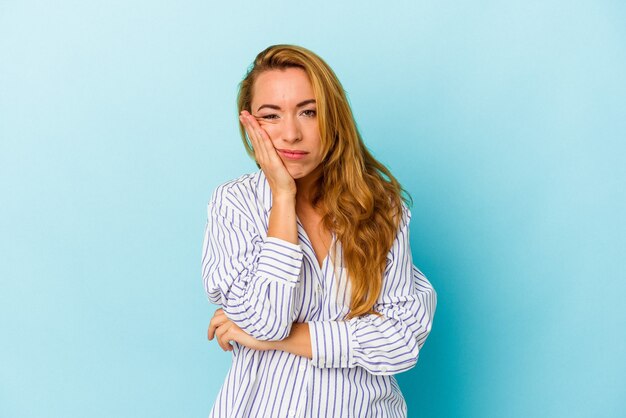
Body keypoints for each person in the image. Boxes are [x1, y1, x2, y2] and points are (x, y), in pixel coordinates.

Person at [201, 44, 436, 418]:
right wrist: (282, 194)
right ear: (250, 123)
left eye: (309, 112)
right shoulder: (235, 204)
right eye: (271, 115)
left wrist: (285, 339)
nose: (292, 134)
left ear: (333, 118)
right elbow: (265, 320)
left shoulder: (382, 209)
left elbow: (400, 342)